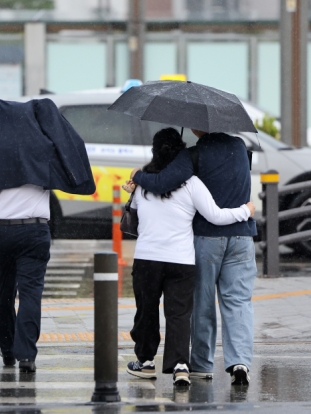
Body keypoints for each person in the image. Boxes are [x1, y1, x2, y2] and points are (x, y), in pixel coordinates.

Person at [0, 98, 95, 373]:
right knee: (30, 293)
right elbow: (71, 151)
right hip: (35, 230)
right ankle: (27, 356)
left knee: (4, 293)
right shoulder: (44, 151)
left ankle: (7, 350)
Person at [125, 128, 254, 387]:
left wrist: (137, 176)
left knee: (199, 304)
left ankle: (200, 364)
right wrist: (245, 211)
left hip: (205, 239)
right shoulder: (240, 147)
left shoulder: (192, 156)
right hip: (241, 237)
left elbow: (162, 184)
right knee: (236, 301)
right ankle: (238, 362)